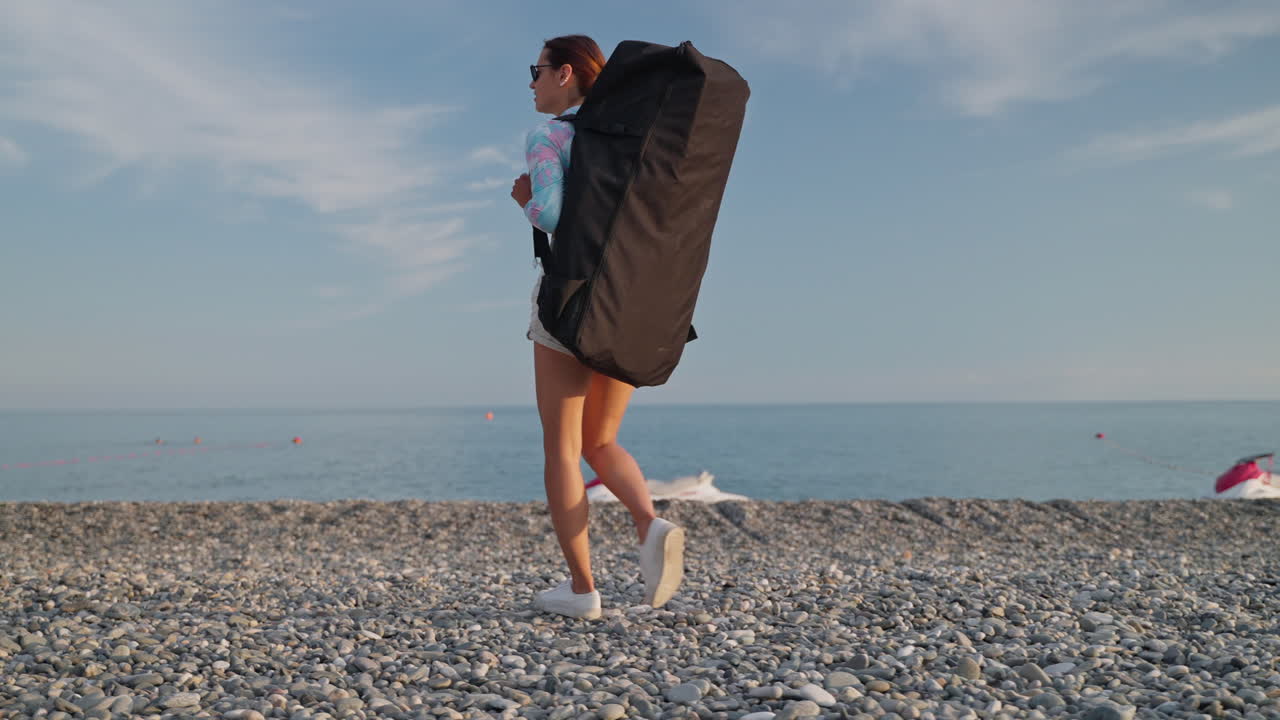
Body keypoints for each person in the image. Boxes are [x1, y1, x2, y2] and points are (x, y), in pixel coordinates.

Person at [510, 35, 685, 620]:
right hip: (630, 304)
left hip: (570, 301)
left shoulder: (550, 135)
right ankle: (650, 523)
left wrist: (525, 199)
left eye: (536, 70)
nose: (532, 82)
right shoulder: (635, 138)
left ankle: (582, 589)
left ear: (565, 74)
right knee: (601, 440)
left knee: (562, 448)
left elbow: (552, 214)